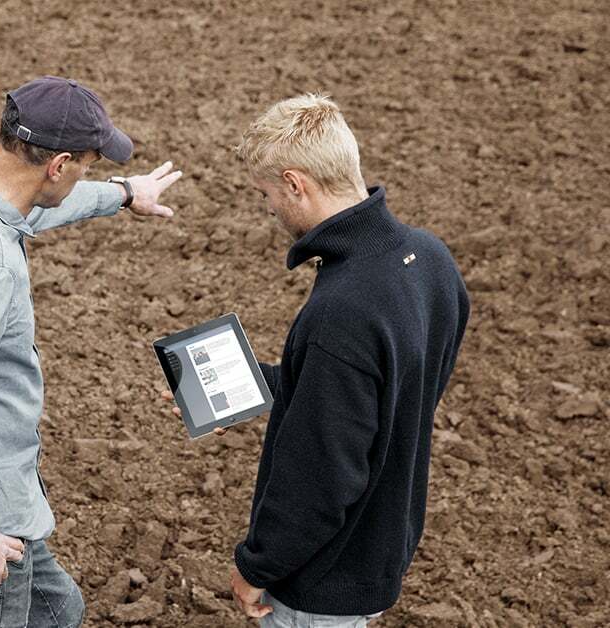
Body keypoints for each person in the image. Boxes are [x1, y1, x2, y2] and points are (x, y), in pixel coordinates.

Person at [0, 76, 183, 628]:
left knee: (58, 611)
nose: (85, 175)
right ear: (59, 165)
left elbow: (31, 208)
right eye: (88, 167)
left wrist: (122, 192)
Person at [166, 94, 469, 626]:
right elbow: (381, 388)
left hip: (321, 578)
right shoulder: (432, 261)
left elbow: (323, 476)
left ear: (294, 183)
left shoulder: (343, 309)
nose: (267, 208)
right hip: (381, 543)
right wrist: (254, 384)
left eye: (266, 194)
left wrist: (257, 565)